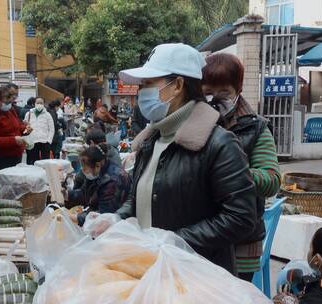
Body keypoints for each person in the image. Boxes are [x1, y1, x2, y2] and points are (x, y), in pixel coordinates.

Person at [89, 43, 258, 275]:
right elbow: (139, 197)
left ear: (178, 85)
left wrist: (177, 241)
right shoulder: (152, 140)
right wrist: (117, 217)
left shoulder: (219, 144)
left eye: (148, 84)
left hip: (195, 277)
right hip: (151, 270)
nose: (141, 93)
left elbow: (241, 217)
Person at [202, 53, 281, 281]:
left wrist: (230, 172)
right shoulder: (194, 125)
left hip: (241, 243)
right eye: (208, 93)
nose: (215, 100)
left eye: (224, 93)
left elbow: (271, 180)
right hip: (200, 234)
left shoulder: (256, 129)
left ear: (238, 90)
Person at [65, 144, 131, 226]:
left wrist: (76, 217)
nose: (83, 171)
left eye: (85, 168)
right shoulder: (96, 173)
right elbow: (84, 192)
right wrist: (67, 195)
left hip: (114, 224)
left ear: (97, 165)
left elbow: (103, 216)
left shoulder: (112, 181)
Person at [0, 85, 31, 178]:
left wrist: (26, 129)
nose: (8, 104)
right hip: (2, 158)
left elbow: (17, 126)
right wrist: (13, 140)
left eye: (10, 102)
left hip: (16, 155)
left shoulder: (11, 110)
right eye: (6, 102)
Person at [24, 97, 54, 164]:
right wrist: (26, 130)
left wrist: (49, 141)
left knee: (45, 162)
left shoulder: (47, 115)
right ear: (34, 104)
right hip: (32, 141)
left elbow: (52, 129)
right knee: (33, 161)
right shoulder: (29, 114)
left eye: (41, 103)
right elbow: (24, 127)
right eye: (37, 103)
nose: (39, 104)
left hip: (44, 142)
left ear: (44, 104)